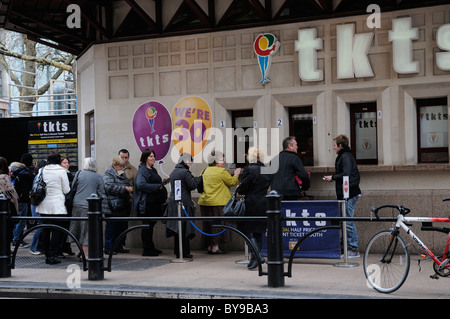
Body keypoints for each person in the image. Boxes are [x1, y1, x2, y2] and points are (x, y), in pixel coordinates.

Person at [324, 134, 361, 258]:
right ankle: (346, 246)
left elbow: (346, 173)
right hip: (346, 193)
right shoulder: (344, 155)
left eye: (334, 145)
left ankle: (353, 248)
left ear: (340, 146)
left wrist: (332, 177)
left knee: (348, 221)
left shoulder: (345, 156)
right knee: (345, 221)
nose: (333, 148)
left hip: (349, 193)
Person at [198, 150, 241, 254]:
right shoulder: (221, 171)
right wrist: (236, 174)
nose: (224, 161)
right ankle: (215, 247)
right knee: (218, 225)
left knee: (208, 225)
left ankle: (209, 245)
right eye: (222, 159)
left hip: (205, 202)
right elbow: (232, 182)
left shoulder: (204, 171)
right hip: (218, 203)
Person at [236, 146, 271, 270]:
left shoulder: (249, 169)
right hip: (263, 202)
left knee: (245, 229)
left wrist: (239, 188)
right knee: (258, 231)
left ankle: (257, 256)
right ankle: (255, 258)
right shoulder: (266, 169)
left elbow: (244, 187)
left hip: (251, 203)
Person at [36, 152, 70, 264]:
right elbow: (66, 190)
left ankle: (46, 254)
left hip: (44, 204)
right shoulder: (61, 171)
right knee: (56, 230)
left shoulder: (42, 170)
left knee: (46, 229)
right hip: (57, 204)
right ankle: (53, 255)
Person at [133, 148, 167, 256]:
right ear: (145, 158)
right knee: (147, 226)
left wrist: (162, 183)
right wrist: (157, 186)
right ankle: (147, 249)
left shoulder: (153, 170)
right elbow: (140, 185)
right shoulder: (142, 170)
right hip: (147, 204)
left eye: (154, 156)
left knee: (151, 226)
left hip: (155, 204)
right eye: (151, 156)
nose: (153, 158)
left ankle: (151, 247)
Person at [69, 158, 105, 259]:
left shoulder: (79, 173)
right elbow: (101, 193)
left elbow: (73, 187)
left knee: (78, 229)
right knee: (86, 230)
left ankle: (81, 251)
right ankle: (85, 255)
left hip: (76, 204)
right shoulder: (98, 177)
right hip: (89, 206)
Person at [165, 153, 199, 259]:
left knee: (178, 230)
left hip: (173, 204)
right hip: (184, 204)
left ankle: (178, 252)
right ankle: (185, 253)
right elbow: (192, 185)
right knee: (185, 230)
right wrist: (198, 179)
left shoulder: (174, 171)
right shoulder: (185, 172)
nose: (191, 164)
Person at [102, 155, 133, 255]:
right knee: (112, 227)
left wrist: (129, 190)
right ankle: (109, 247)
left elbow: (127, 183)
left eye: (122, 166)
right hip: (112, 205)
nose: (121, 168)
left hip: (122, 204)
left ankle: (119, 246)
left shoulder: (121, 173)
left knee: (122, 227)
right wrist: (124, 189)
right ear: (114, 165)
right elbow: (108, 187)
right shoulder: (108, 173)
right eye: (120, 166)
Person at [9, 153, 35, 248]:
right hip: (22, 199)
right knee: (21, 220)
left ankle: (15, 238)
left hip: (15, 198)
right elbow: (33, 181)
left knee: (17, 219)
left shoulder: (15, 170)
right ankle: (17, 240)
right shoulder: (26, 173)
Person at [117, 149, 138, 253]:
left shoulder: (133, 170)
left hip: (126, 201)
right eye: (122, 157)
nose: (124, 160)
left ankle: (121, 245)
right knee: (113, 225)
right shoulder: (112, 168)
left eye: (126, 157)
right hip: (114, 201)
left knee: (123, 224)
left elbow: (136, 186)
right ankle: (111, 246)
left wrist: (132, 196)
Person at [29, 160, 47, 255]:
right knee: (40, 225)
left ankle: (38, 246)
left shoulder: (38, 175)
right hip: (38, 204)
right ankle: (34, 247)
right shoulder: (40, 176)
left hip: (35, 203)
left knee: (41, 225)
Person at [0, 157, 19, 243]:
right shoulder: (4, 177)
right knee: (6, 231)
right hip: (6, 208)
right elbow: (12, 194)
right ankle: (5, 252)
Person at [59, 156, 75, 257]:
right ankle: (61, 248)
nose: (67, 164)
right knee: (62, 228)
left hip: (68, 203)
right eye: (64, 163)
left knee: (67, 227)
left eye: (68, 163)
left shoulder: (69, 174)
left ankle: (66, 246)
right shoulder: (61, 174)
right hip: (62, 203)